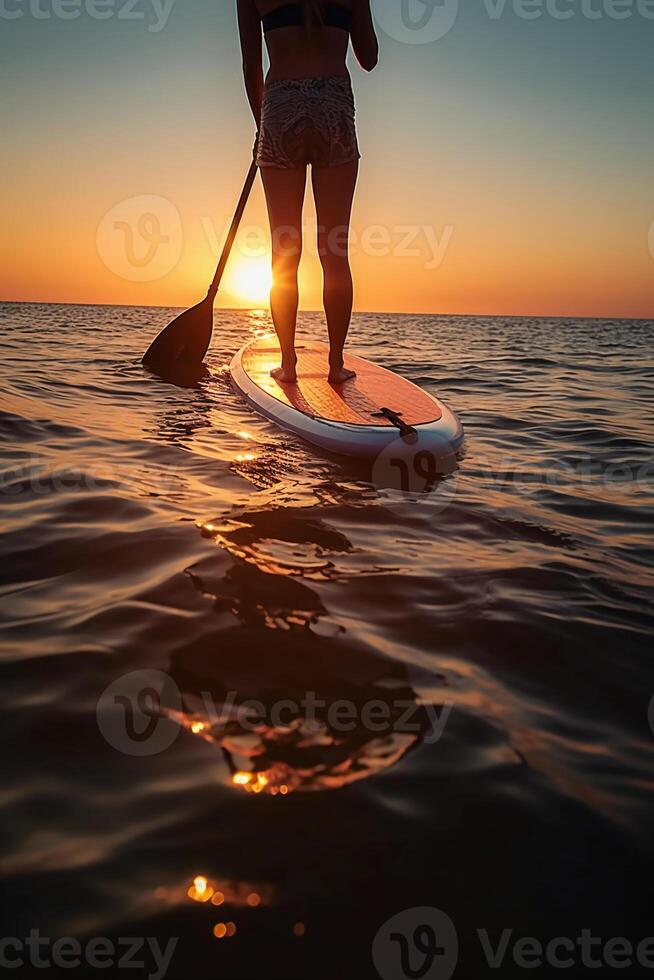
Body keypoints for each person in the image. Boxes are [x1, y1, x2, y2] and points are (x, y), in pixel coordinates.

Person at [237, 0, 379, 384]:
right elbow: (369, 58)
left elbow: (251, 65)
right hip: (334, 104)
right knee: (334, 249)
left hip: (280, 104)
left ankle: (288, 364)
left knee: (284, 249)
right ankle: (335, 365)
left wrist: (261, 126)